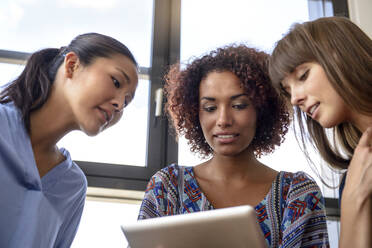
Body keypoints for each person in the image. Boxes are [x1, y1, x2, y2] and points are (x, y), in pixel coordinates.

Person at [138, 45, 329, 247]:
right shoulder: (168, 187)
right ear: (195, 113)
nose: (223, 120)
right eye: (210, 108)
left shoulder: (296, 193)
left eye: (239, 105)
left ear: (262, 109)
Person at [0, 33, 139, 248]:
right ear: (72, 65)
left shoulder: (72, 186)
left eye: (127, 101)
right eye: (115, 82)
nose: (120, 104)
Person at [268, 16, 372, 247]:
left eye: (303, 76)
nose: (295, 99)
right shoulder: (354, 177)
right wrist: (354, 203)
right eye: (288, 91)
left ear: (342, 55)